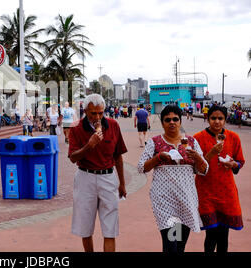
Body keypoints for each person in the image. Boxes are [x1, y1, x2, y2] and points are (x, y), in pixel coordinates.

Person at [137, 105, 208, 253]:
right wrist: (158, 158)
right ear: (162, 123)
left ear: (180, 121)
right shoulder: (154, 142)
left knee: (180, 245)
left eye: (175, 119)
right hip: (164, 201)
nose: (172, 122)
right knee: (170, 244)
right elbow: (142, 167)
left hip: (186, 199)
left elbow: (204, 170)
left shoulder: (191, 141)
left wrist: (197, 158)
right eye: (167, 119)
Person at [68, 94, 128, 252]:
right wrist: (89, 145)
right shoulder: (76, 128)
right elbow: (73, 158)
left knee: (110, 228)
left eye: (100, 113)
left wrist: (122, 183)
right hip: (85, 178)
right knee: (85, 227)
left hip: (108, 177)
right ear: (85, 110)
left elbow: (118, 156)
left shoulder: (113, 125)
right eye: (93, 113)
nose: (97, 117)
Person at [193, 105, 245, 253]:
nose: (217, 122)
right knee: (211, 234)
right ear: (208, 119)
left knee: (224, 234)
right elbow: (195, 167)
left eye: (220, 118)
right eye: (213, 118)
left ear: (225, 119)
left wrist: (234, 164)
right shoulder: (198, 138)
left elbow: (240, 161)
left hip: (226, 192)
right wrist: (210, 154)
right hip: (206, 192)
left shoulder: (233, 137)